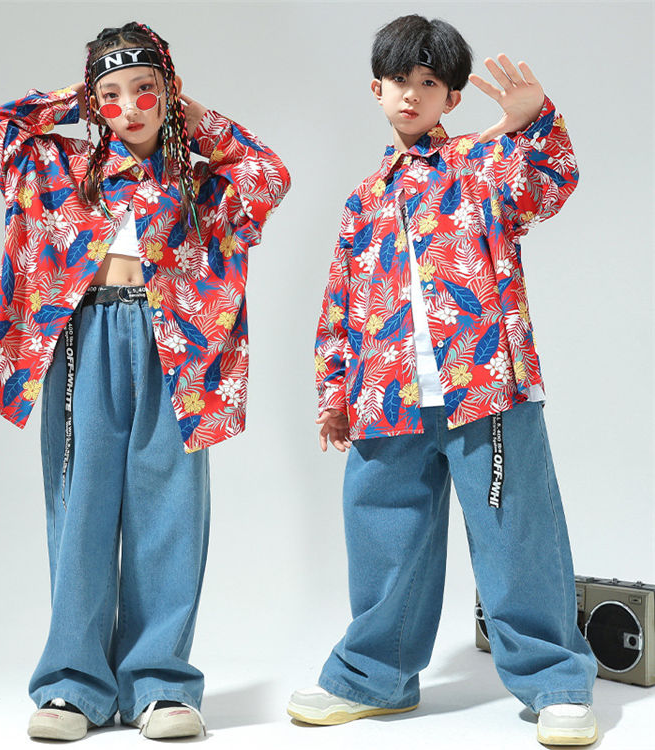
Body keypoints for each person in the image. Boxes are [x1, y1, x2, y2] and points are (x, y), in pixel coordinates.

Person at [0, 21, 290, 742]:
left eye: (146, 90)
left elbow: (270, 174)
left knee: (170, 510)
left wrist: (194, 114)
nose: (130, 107)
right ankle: (72, 686)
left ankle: (160, 683)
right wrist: (78, 98)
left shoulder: (203, 184)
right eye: (111, 95)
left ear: (168, 93)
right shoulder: (58, 166)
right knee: (80, 506)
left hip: (175, 345)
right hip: (83, 339)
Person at [287, 14, 597, 747]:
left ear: (451, 98)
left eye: (428, 83)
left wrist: (534, 122)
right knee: (383, 539)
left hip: (486, 387)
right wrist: (335, 395)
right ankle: (375, 678)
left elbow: (549, 187)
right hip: (385, 396)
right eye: (399, 80)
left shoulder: (482, 166)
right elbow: (340, 304)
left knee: (516, 535)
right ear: (376, 89)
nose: (411, 94)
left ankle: (554, 680)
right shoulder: (364, 199)